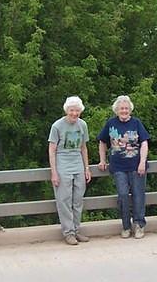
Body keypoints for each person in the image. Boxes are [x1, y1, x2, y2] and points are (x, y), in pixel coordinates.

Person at [97, 95, 150, 239]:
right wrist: (102, 160)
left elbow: (144, 142)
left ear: (130, 110)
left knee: (139, 196)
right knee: (122, 196)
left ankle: (139, 225)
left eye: (126, 108)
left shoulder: (136, 123)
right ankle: (126, 226)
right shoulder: (111, 123)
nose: (124, 111)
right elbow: (102, 142)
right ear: (116, 110)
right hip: (118, 166)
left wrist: (142, 162)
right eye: (121, 108)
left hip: (136, 165)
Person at [48, 96, 92, 245]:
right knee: (64, 200)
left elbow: (83, 148)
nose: (74, 113)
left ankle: (76, 230)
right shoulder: (57, 126)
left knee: (78, 199)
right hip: (62, 164)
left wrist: (87, 168)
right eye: (72, 110)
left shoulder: (83, 125)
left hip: (78, 164)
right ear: (67, 110)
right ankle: (68, 233)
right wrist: (54, 172)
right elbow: (52, 150)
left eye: (77, 111)